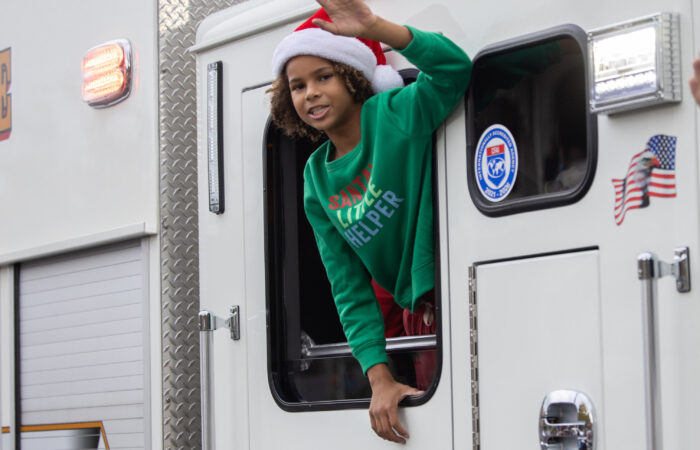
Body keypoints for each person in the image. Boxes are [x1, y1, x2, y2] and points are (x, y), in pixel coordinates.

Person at [268, 0, 471, 443]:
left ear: (354, 76)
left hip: (452, 291)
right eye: (298, 85)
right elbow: (347, 286)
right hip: (417, 315)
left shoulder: (395, 113)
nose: (311, 93)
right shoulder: (316, 178)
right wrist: (378, 376)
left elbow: (455, 69)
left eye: (324, 76)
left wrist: (377, 27)